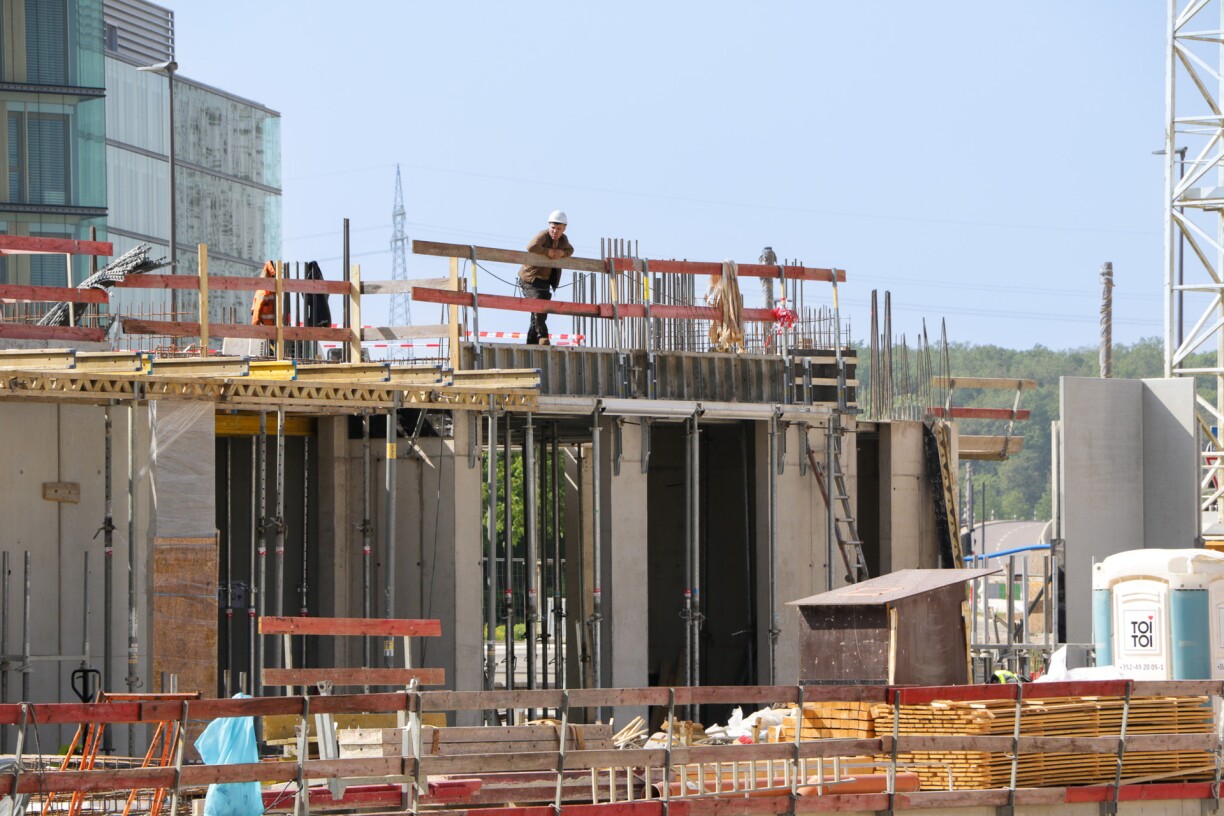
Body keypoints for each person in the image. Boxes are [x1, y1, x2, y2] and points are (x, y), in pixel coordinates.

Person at [518, 210, 573, 345]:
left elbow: (570, 250)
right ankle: (543, 336)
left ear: (564, 229)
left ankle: (531, 343)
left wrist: (561, 253)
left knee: (539, 312)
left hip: (545, 281)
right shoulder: (543, 235)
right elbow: (531, 246)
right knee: (538, 305)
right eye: (553, 227)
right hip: (530, 279)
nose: (555, 231)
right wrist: (547, 252)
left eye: (558, 229)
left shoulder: (563, 240)